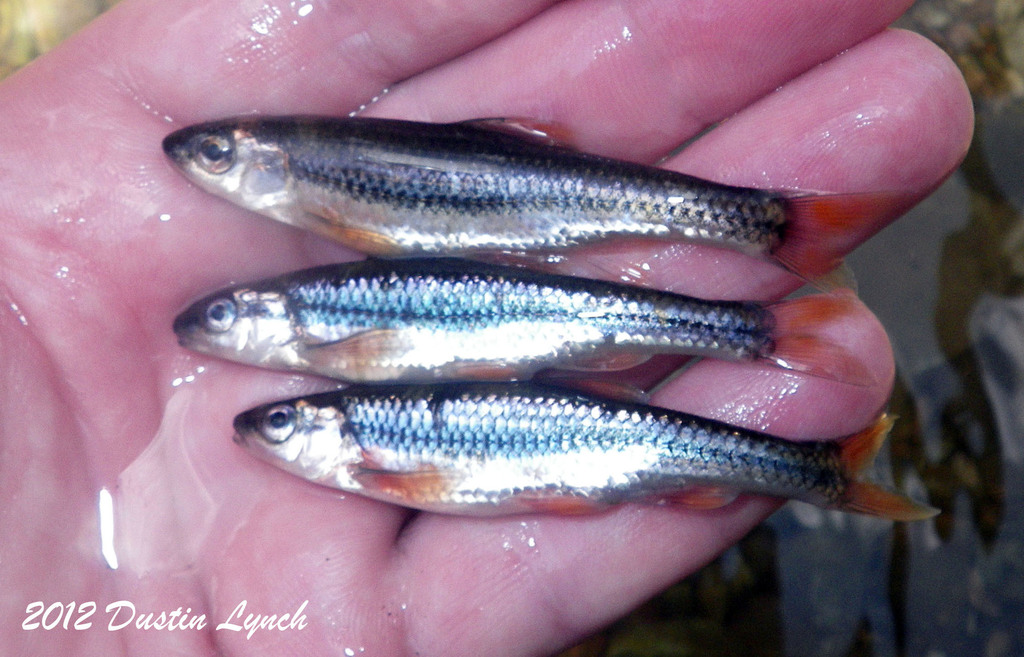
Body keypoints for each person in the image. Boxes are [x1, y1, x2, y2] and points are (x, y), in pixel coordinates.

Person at [0, 0, 972, 654]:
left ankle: (770, 284)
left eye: (219, 154)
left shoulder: (314, 238)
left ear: (262, 159)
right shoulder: (320, 312)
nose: (205, 163)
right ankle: (774, 322)